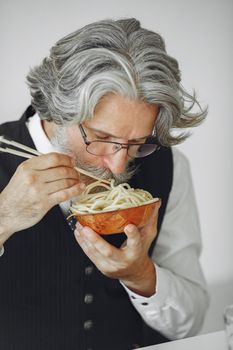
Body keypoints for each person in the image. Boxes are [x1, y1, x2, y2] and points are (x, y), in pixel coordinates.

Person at [0, 18, 209, 350]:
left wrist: (141, 274)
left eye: (138, 142)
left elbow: (191, 321)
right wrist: (4, 217)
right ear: (58, 107)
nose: (118, 165)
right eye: (101, 138)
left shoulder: (168, 166)